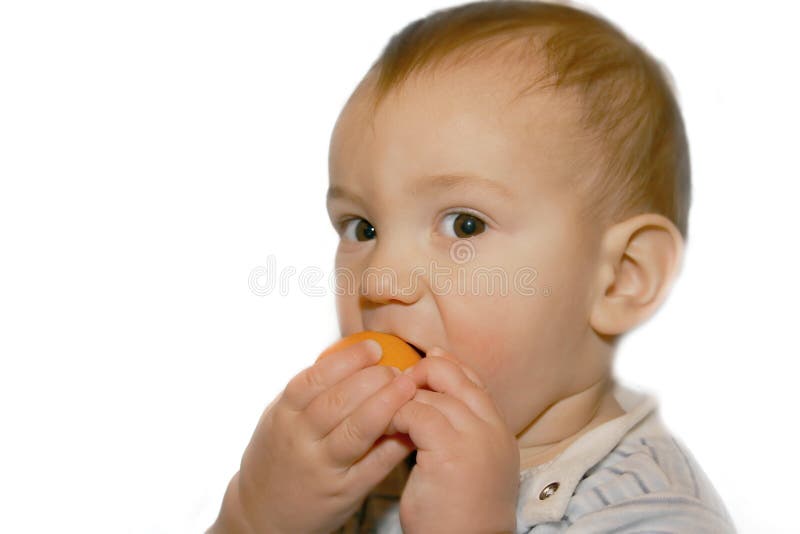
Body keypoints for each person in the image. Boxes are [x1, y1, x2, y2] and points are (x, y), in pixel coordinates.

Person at [209, 1, 736, 532]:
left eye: (464, 225)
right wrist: (256, 515)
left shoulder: (651, 510)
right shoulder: (359, 473)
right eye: (361, 228)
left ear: (622, 276)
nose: (378, 280)